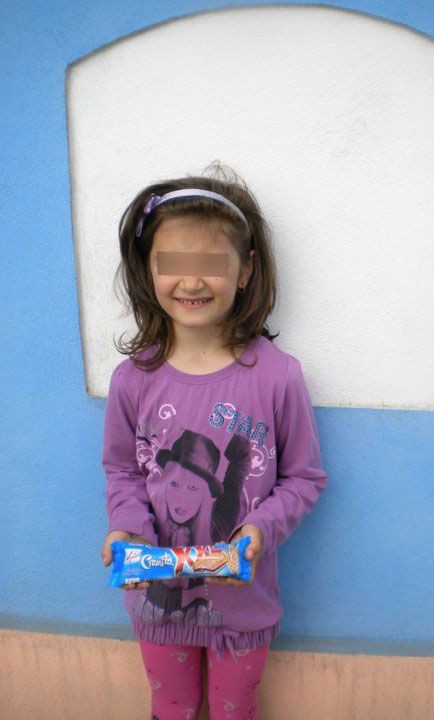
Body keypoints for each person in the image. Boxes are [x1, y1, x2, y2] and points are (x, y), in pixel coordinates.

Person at [100, 162, 328, 720]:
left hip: (243, 609)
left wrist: (261, 528)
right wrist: (127, 526)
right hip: (157, 603)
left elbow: (304, 478)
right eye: (172, 263)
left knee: (235, 710)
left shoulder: (278, 377)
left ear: (246, 269)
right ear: (147, 270)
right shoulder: (132, 380)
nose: (192, 282)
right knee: (171, 708)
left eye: (211, 264)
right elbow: (123, 471)